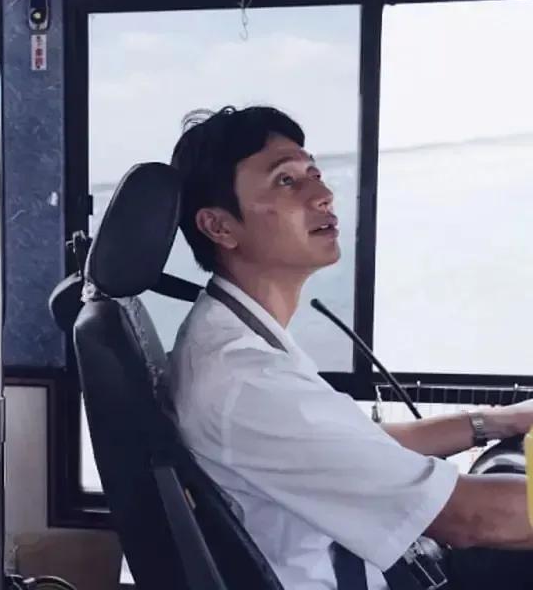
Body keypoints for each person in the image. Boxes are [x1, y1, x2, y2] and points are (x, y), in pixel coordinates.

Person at [166, 105, 533, 590]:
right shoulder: (246, 379)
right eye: (286, 181)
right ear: (220, 227)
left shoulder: (233, 335)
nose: (322, 194)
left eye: (314, 173)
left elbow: (356, 448)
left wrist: (498, 421)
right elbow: (472, 519)